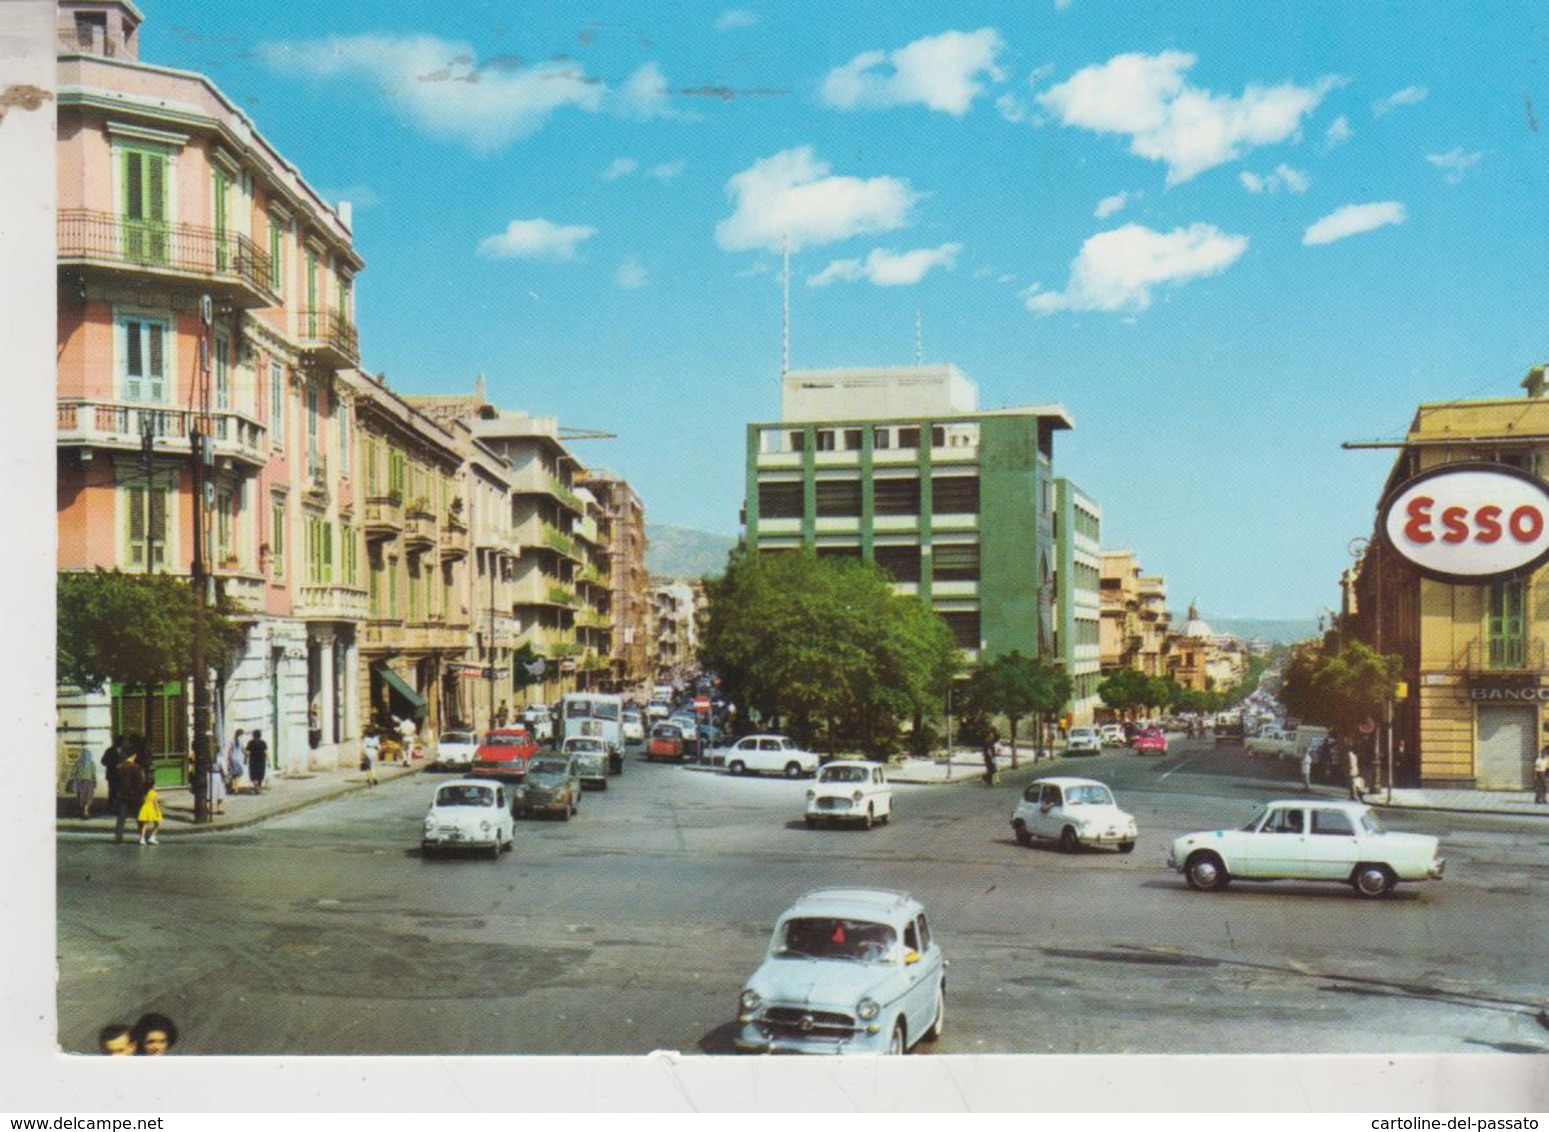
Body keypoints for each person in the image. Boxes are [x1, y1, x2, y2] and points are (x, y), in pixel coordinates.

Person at [113, 748, 148, 845]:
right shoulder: (136, 768)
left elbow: (115, 784)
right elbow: (139, 784)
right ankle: (143, 836)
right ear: (133, 756)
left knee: (121, 818)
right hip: (135, 796)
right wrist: (142, 795)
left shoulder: (119, 768)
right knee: (140, 818)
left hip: (122, 796)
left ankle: (118, 838)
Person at [68, 745, 97, 819]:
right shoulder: (92, 763)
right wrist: (95, 782)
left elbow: (73, 773)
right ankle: (86, 811)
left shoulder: (78, 763)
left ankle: (83, 811)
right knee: (88, 797)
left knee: (81, 796)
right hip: (89, 783)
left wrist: (76, 777)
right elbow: (93, 774)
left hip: (80, 782)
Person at [136, 772, 163, 846]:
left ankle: (142, 839)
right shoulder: (153, 793)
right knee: (157, 824)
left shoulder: (145, 792)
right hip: (151, 809)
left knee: (145, 824)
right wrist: (158, 811)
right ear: (153, 785)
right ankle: (152, 836)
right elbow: (155, 803)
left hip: (145, 808)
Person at [226, 729, 246, 794]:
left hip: (233, 758)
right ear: (241, 734)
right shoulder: (241, 741)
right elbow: (243, 750)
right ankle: (236, 789)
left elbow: (229, 750)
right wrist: (247, 755)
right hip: (239, 759)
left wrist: (229, 759)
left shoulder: (232, 740)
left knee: (234, 774)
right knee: (238, 775)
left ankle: (234, 787)